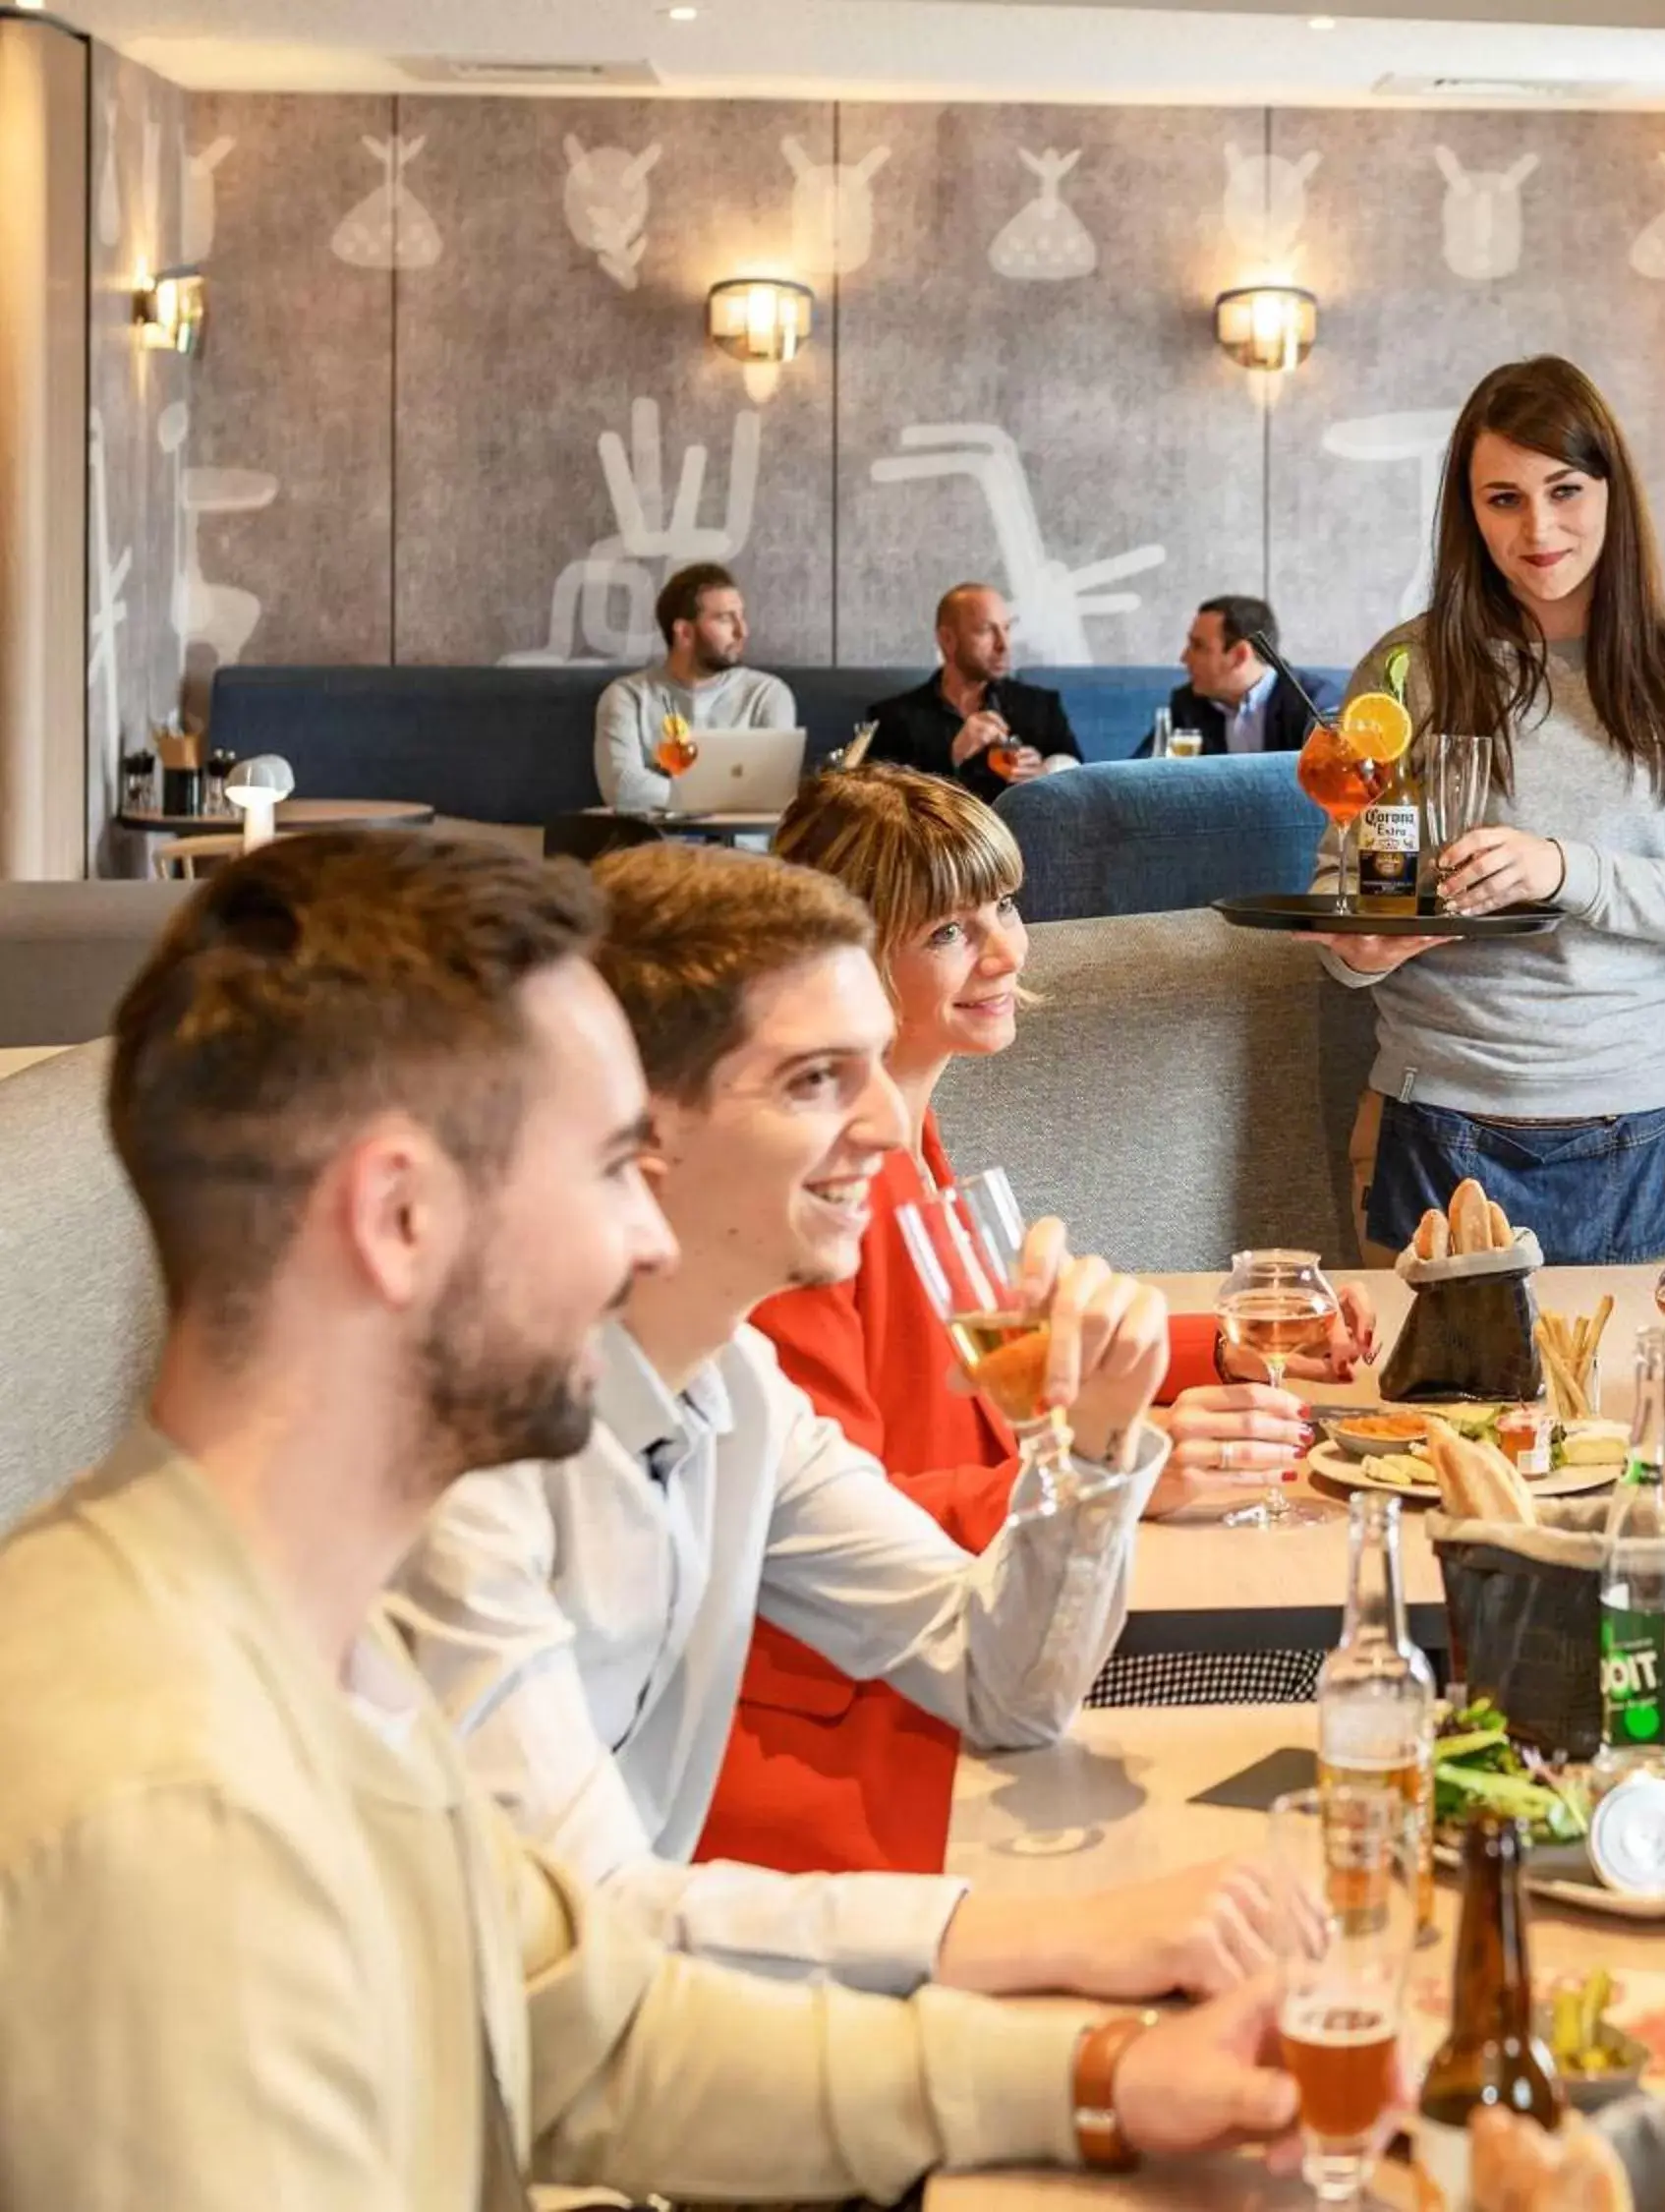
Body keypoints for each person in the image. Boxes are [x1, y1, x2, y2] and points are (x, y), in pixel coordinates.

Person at [0, 831, 1308, 2200]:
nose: (644, 1241)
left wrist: (1091, 2079)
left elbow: (590, 2032)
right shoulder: (168, 1803)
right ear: (397, 1218)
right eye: (612, 1165)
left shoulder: (311, 1643)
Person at [389, 841, 1309, 2008]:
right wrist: (1051, 1939)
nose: (884, 1129)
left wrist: (1093, 1448)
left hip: (653, 2041)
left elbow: (1004, 1687)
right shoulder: (467, 1462)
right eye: (817, 1080)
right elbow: (573, 1938)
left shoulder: (737, 1386)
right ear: (636, 1123)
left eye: (877, 1066)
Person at [689, 768, 1361, 1892]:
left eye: (1004, 907)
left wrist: (1227, 1346)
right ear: (840, 964)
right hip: (875, 1708)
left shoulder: (914, 1131)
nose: (1005, 951)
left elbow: (999, 1356)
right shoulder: (819, 1199)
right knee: (1307, 1667)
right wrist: (1122, 1479)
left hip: (966, 1633)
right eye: (953, 928)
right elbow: (832, 1527)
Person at [1313, 354, 1665, 1267]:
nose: (1539, 528)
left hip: (1635, 1119)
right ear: (1467, 513)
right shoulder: (1407, 670)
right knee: (1426, 1413)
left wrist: (1562, 868)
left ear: (1611, 491)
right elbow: (1346, 887)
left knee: (1619, 1408)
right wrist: (1357, 947)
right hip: (1437, 1114)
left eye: (1565, 490)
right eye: (1503, 499)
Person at [594, 560, 799, 810]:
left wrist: (674, 794)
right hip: (657, 846)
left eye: (741, 616)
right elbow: (622, 788)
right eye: (725, 619)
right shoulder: (628, 696)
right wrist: (726, 796)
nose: (742, 631)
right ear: (684, 633)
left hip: (741, 847)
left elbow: (772, 790)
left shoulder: (767, 695)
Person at [867, 582, 1083, 801]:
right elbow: (884, 807)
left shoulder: (1041, 707)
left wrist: (1045, 777)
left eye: (1006, 628)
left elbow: (1080, 783)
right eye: (987, 631)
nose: (1004, 645)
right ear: (947, 640)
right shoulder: (893, 720)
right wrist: (951, 756)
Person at [1167, 594, 1326, 755]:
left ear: (1240, 655)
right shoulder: (1187, 703)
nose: (1184, 658)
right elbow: (1147, 767)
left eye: (1198, 646)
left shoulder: (1313, 705)